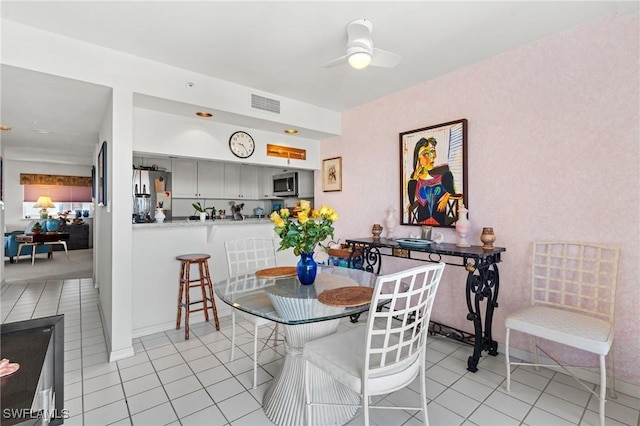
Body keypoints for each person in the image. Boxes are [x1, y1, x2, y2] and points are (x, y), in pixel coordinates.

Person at [406, 137, 457, 226]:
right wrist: (414, 177)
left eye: (432, 151)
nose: (431, 157)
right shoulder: (415, 180)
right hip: (422, 220)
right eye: (425, 154)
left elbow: (452, 192)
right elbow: (411, 202)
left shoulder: (445, 174)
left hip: (440, 220)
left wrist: (445, 198)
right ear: (418, 158)